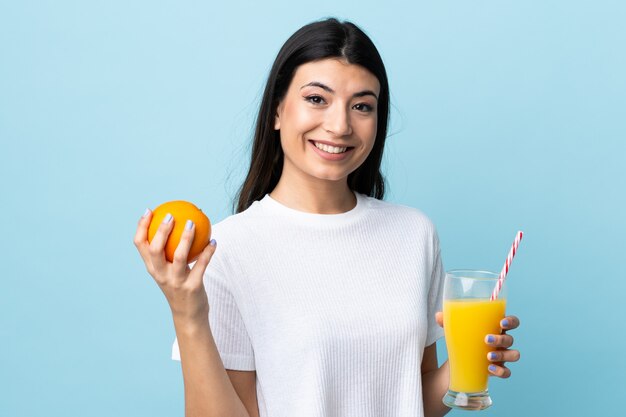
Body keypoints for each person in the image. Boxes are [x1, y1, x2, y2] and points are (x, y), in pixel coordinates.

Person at [134, 17, 521, 417]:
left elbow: (413, 398)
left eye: (362, 106)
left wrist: (468, 361)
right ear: (277, 111)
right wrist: (188, 313)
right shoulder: (228, 249)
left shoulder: (414, 233)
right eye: (317, 99)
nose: (339, 126)